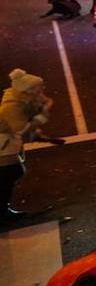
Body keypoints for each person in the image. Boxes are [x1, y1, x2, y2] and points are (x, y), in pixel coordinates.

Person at [1, 69, 57, 221]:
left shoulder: (24, 96)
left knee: (13, 172)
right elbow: (22, 130)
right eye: (40, 86)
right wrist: (43, 117)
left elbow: (39, 105)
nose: (43, 88)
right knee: (11, 172)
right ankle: (2, 211)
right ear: (29, 90)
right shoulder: (11, 107)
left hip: (9, 142)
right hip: (4, 145)